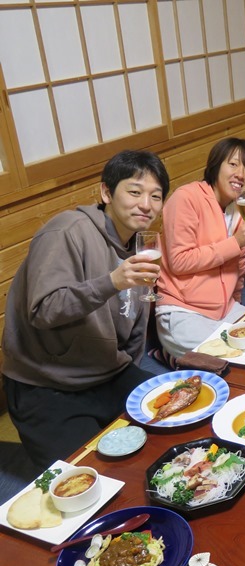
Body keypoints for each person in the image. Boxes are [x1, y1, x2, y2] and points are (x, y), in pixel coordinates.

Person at [2, 150, 170, 470]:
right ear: (106, 192)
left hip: (108, 372)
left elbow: (136, 322)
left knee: (171, 426)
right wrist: (111, 282)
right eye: (134, 192)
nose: (146, 204)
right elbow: (43, 310)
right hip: (47, 385)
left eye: (156, 196)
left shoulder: (142, 245)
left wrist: (130, 370)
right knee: (89, 474)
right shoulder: (67, 231)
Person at [156, 138, 245, 358]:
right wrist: (235, 243)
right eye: (233, 164)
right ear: (216, 166)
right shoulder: (186, 198)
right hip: (184, 310)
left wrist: (236, 303)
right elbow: (179, 261)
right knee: (229, 357)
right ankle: (171, 356)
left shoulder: (241, 209)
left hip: (225, 309)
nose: (241, 174)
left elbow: (240, 267)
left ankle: (184, 357)